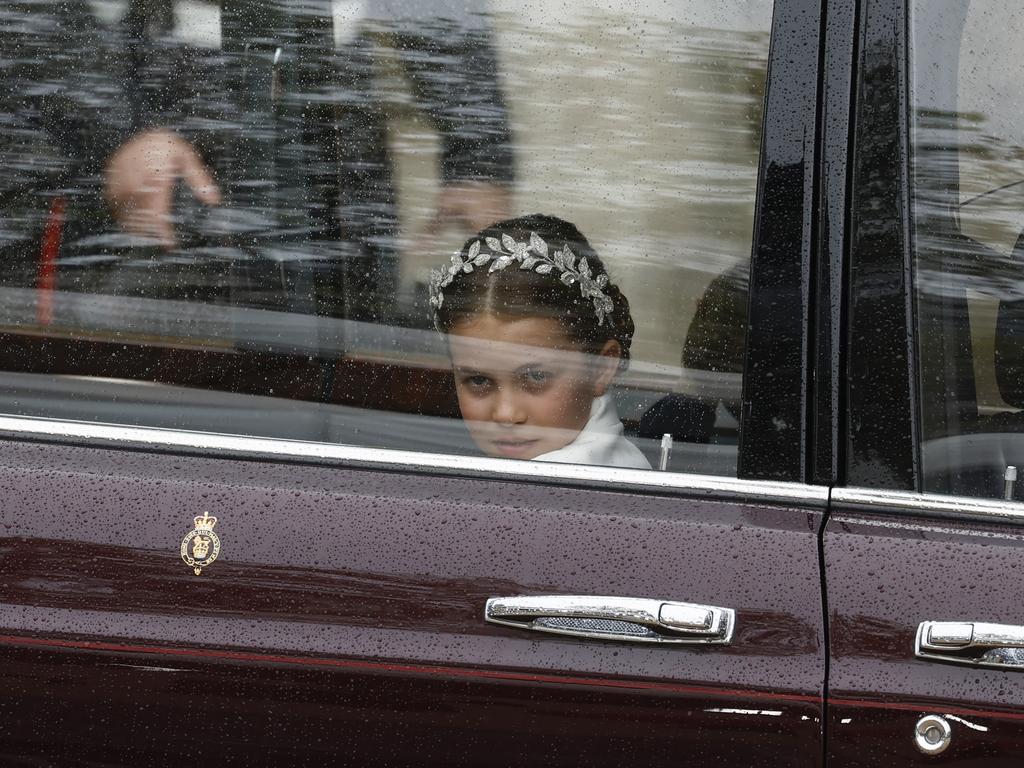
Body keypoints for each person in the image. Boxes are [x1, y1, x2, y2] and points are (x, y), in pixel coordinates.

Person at [429, 214, 650, 469]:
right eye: (478, 380)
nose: (506, 414)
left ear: (601, 368)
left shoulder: (552, 493)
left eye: (536, 377)